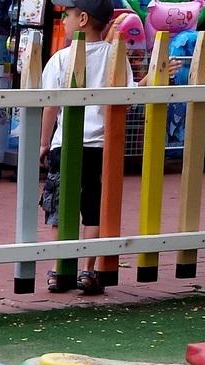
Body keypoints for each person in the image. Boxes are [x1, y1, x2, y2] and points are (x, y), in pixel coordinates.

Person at [39, 0, 135, 294]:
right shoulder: (115, 58)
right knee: (94, 207)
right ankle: (88, 270)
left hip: (65, 144)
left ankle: (59, 269)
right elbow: (122, 104)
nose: (63, 19)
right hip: (100, 146)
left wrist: (44, 143)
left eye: (66, 14)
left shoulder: (61, 58)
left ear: (82, 18)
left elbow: (50, 107)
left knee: (59, 207)